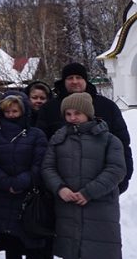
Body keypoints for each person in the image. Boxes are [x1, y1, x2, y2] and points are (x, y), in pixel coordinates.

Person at [41, 92, 125, 259]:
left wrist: (89, 192)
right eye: (68, 114)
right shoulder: (58, 138)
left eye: (77, 113)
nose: (72, 118)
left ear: (88, 113)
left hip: (100, 207)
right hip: (68, 208)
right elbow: (48, 167)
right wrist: (60, 188)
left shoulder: (109, 140)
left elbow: (116, 170)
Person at [36, 62, 132, 192]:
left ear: (85, 80)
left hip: (101, 187)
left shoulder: (107, 107)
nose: (75, 81)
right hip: (61, 189)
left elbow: (122, 143)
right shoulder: (49, 109)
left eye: (79, 77)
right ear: (63, 81)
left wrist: (123, 180)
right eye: (70, 78)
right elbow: (41, 147)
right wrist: (50, 184)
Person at [0, 93, 48, 259]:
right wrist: (7, 183)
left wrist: (21, 182)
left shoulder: (37, 135)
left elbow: (40, 164)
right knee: (12, 246)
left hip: (30, 199)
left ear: (23, 111)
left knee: (35, 246)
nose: (11, 115)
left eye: (15, 111)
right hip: (2, 197)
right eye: (7, 111)